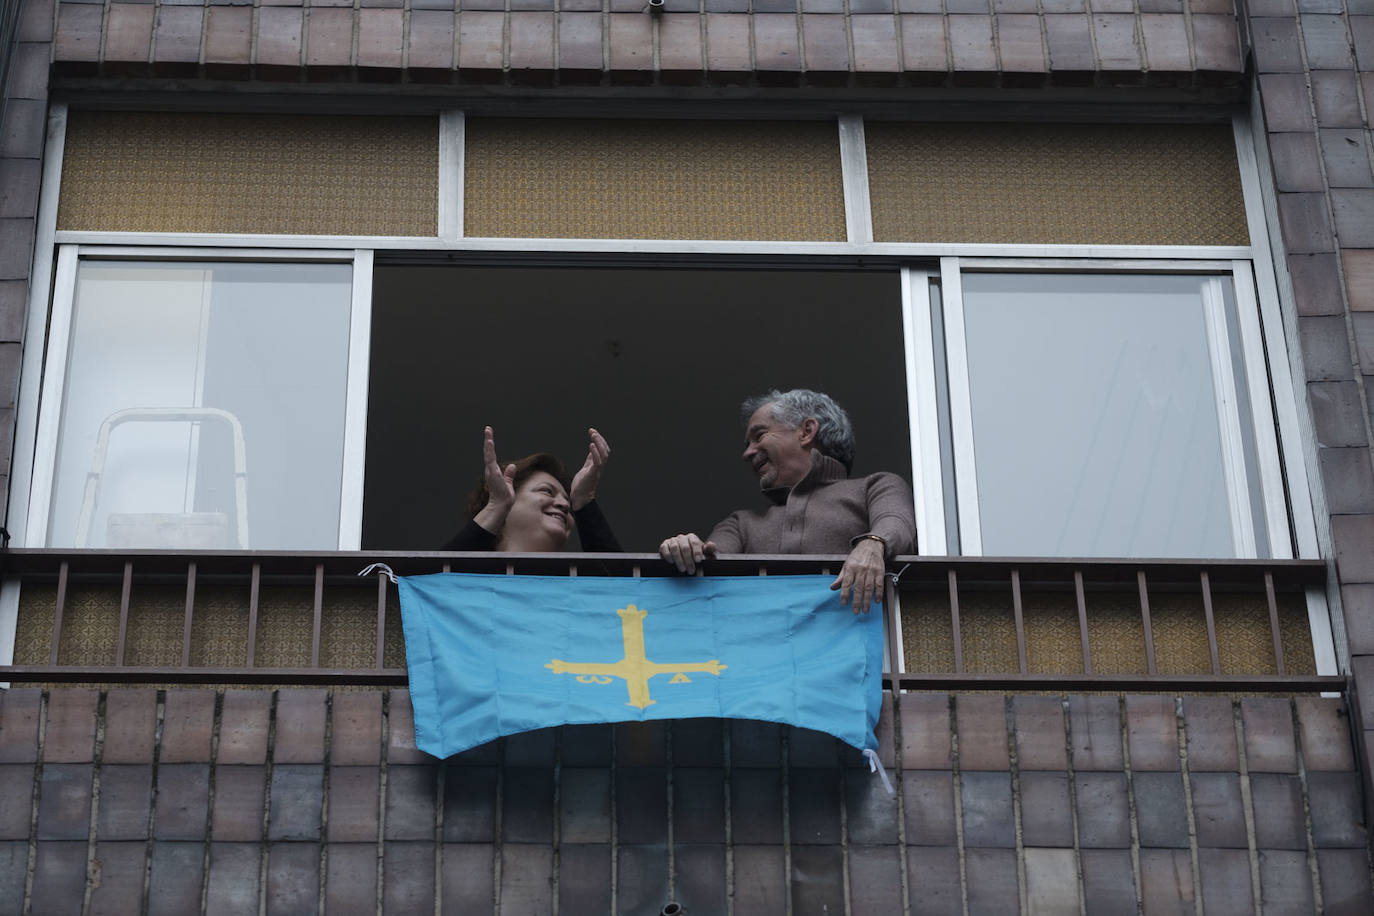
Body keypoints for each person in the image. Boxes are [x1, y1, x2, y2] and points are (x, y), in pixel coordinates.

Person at [658, 389, 915, 613]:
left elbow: (896, 522)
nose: (747, 453)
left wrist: (874, 544)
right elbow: (711, 562)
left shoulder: (875, 486)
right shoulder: (741, 523)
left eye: (759, 436)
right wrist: (686, 549)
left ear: (806, 431)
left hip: (860, 656)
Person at [442, 426, 620, 552]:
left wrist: (584, 500)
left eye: (569, 501)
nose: (565, 505)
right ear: (508, 505)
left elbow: (627, 589)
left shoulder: (578, 585)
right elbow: (426, 587)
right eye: (546, 491)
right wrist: (496, 506)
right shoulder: (467, 580)